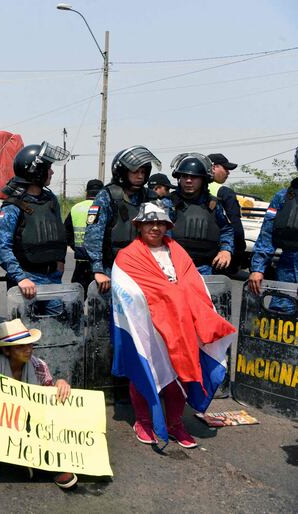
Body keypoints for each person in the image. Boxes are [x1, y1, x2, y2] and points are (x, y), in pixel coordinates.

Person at [112, 202, 235, 448]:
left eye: (160, 223)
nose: (155, 228)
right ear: (139, 226)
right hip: (146, 326)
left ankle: (175, 423)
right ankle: (144, 421)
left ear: (167, 226)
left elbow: (193, 282)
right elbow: (124, 291)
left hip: (179, 324)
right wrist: (165, 297)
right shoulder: (127, 256)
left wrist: (174, 298)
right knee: (143, 371)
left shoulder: (176, 250)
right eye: (150, 223)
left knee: (179, 374)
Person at [0, 319, 76, 489]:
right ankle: (36, 461)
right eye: (20, 346)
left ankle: (33, 460)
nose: (28, 350)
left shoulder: (39, 365)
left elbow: (50, 400)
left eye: (30, 345)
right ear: (6, 350)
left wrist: (60, 383)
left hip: (31, 423)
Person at [83, 145, 162, 294]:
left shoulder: (151, 197)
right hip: (112, 268)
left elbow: (164, 233)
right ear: (122, 172)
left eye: (143, 172)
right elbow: (94, 235)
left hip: (144, 268)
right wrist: (98, 270)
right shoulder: (107, 196)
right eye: (135, 171)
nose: (140, 176)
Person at [0, 143, 68, 301]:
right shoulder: (13, 206)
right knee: (25, 326)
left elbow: (58, 234)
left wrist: (60, 261)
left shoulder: (51, 200)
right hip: (26, 281)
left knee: (56, 324)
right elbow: (3, 247)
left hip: (53, 279)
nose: (52, 172)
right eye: (48, 168)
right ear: (35, 171)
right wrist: (20, 278)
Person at [248, 146, 298, 312]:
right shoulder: (283, 197)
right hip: (287, 271)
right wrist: (258, 268)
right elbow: (267, 236)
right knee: (280, 322)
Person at [168, 153, 234, 275]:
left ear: (203, 179)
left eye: (194, 177)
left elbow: (227, 230)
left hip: (205, 269)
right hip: (173, 269)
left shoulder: (213, 205)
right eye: (184, 176)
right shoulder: (168, 204)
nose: (188, 180)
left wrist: (226, 250)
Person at [207, 153, 245, 274]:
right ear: (213, 167)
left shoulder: (189, 188)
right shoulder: (224, 192)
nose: (228, 173)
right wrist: (239, 252)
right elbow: (235, 226)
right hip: (219, 255)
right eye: (226, 168)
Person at [64, 179, 103, 291]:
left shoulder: (76, 208)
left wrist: (75, 247)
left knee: (76, 299)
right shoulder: (105, 208)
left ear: (87, 192)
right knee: (99, 302)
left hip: (81, 262)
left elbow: (66, 232)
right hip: (100, 264)